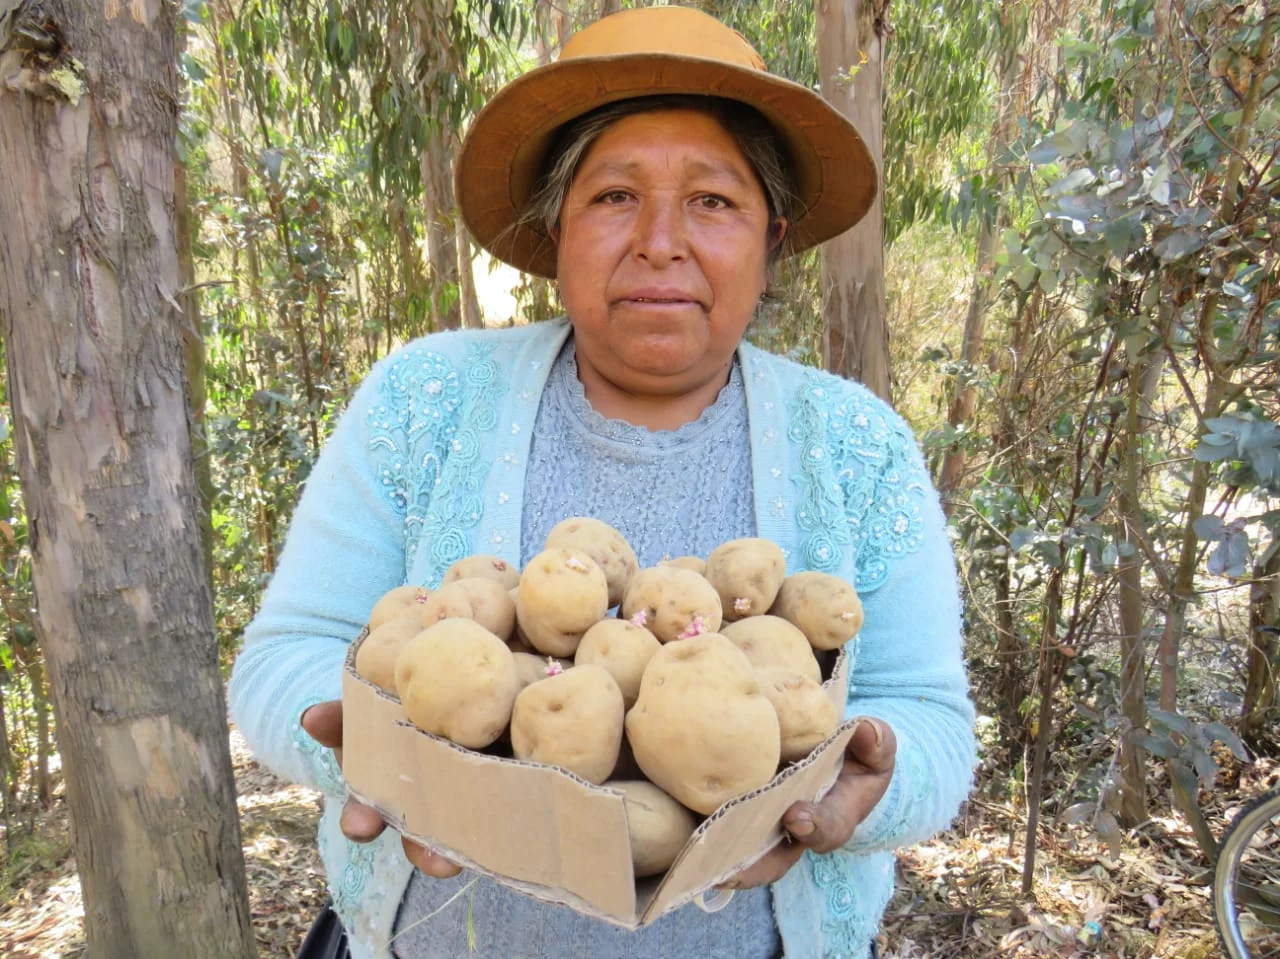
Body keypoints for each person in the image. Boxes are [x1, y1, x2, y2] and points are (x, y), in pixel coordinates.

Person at [227, 7, 976, 959]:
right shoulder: (423, 400)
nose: (661, 240)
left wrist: (861, 784)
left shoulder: (857, 442)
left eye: (713, 201)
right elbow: (285, 655)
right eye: (614, 196)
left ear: (772, 238)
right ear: (557, 228)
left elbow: (931, 720)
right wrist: (376, 750)